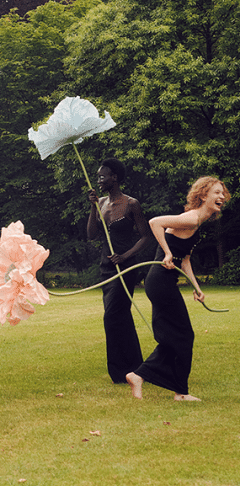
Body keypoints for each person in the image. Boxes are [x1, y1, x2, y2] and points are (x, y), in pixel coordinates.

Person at [126, 176, 230, 401]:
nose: (221, 197)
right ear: (203, 195)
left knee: (174, 337)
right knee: (183, 335)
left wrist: (197, 287)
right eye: (216, 192)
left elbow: (185, 261)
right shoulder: (192, 218)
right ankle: (177, 392)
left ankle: (141, 376)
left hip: (163, 282)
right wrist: (166, 252)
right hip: (160, 281)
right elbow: (155, 222)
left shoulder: (197, 222)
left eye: (223, 193)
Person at [88, 158, 152, 383]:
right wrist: (92, 207)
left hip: (125, 266)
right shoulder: (102, 203)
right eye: (98, 176)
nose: (99, 180)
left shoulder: (131, 203)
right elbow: (92, 235)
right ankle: (135, 369)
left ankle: (119, 372)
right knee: (121, 317)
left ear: (114, 177)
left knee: (112, 316)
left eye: (102, 176)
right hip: (106, 267)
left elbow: (146, 236)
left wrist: (125, 256)